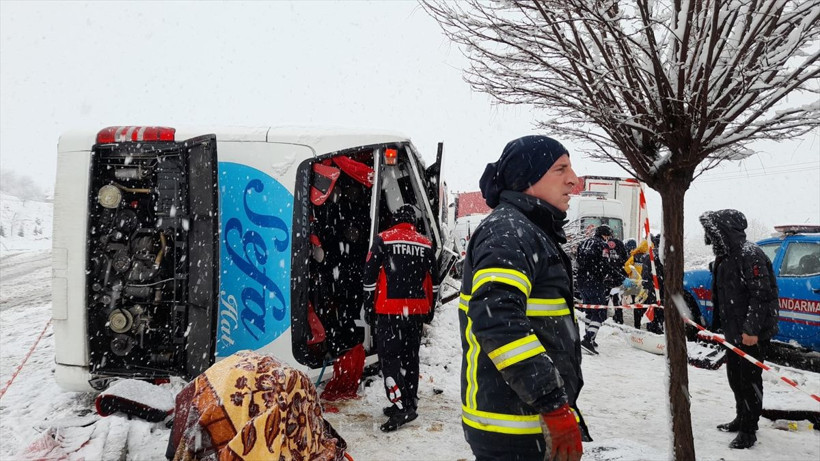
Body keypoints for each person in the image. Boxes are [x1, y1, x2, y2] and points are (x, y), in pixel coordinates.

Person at [460, 135, 586, 461]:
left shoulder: (528, 229)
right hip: (513, 430)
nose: (574, 179)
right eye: (561, 169)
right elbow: (498, 322)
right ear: (527, 178)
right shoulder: (508, 232)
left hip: (524, 423)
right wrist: (553, 405)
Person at [700, 209, 779, 449]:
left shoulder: (750, 255)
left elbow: (761, 295)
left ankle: (749, 430)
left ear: (725, 231)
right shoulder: (726, 256)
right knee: (735, 377)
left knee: (749, 380)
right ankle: (740, 417)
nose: (710, 236)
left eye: (713, 231)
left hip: (751, 334)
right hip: (734, 331)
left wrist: (751, 330)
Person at [362, 204, 438, 432]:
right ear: (413, 222)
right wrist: (430, 308)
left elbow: (369, 276)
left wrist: (369, 305)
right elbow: (434, 281)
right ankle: (409, 400)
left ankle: (402, 406)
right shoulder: (425, 243)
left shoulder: (383, 239)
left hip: (389, 310)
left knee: (390, 359)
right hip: (415, 311)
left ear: (394, 220)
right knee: (410, 357)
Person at [576, 225, 621, 353]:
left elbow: (578, 261)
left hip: (581, 281)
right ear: (605, 235)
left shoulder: (584, 243)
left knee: (590, 310)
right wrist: (620, 277)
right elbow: (604, 265)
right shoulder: (602, 245)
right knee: (599, 312)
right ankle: (588, 339)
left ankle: (590, 337)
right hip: (594, 281)